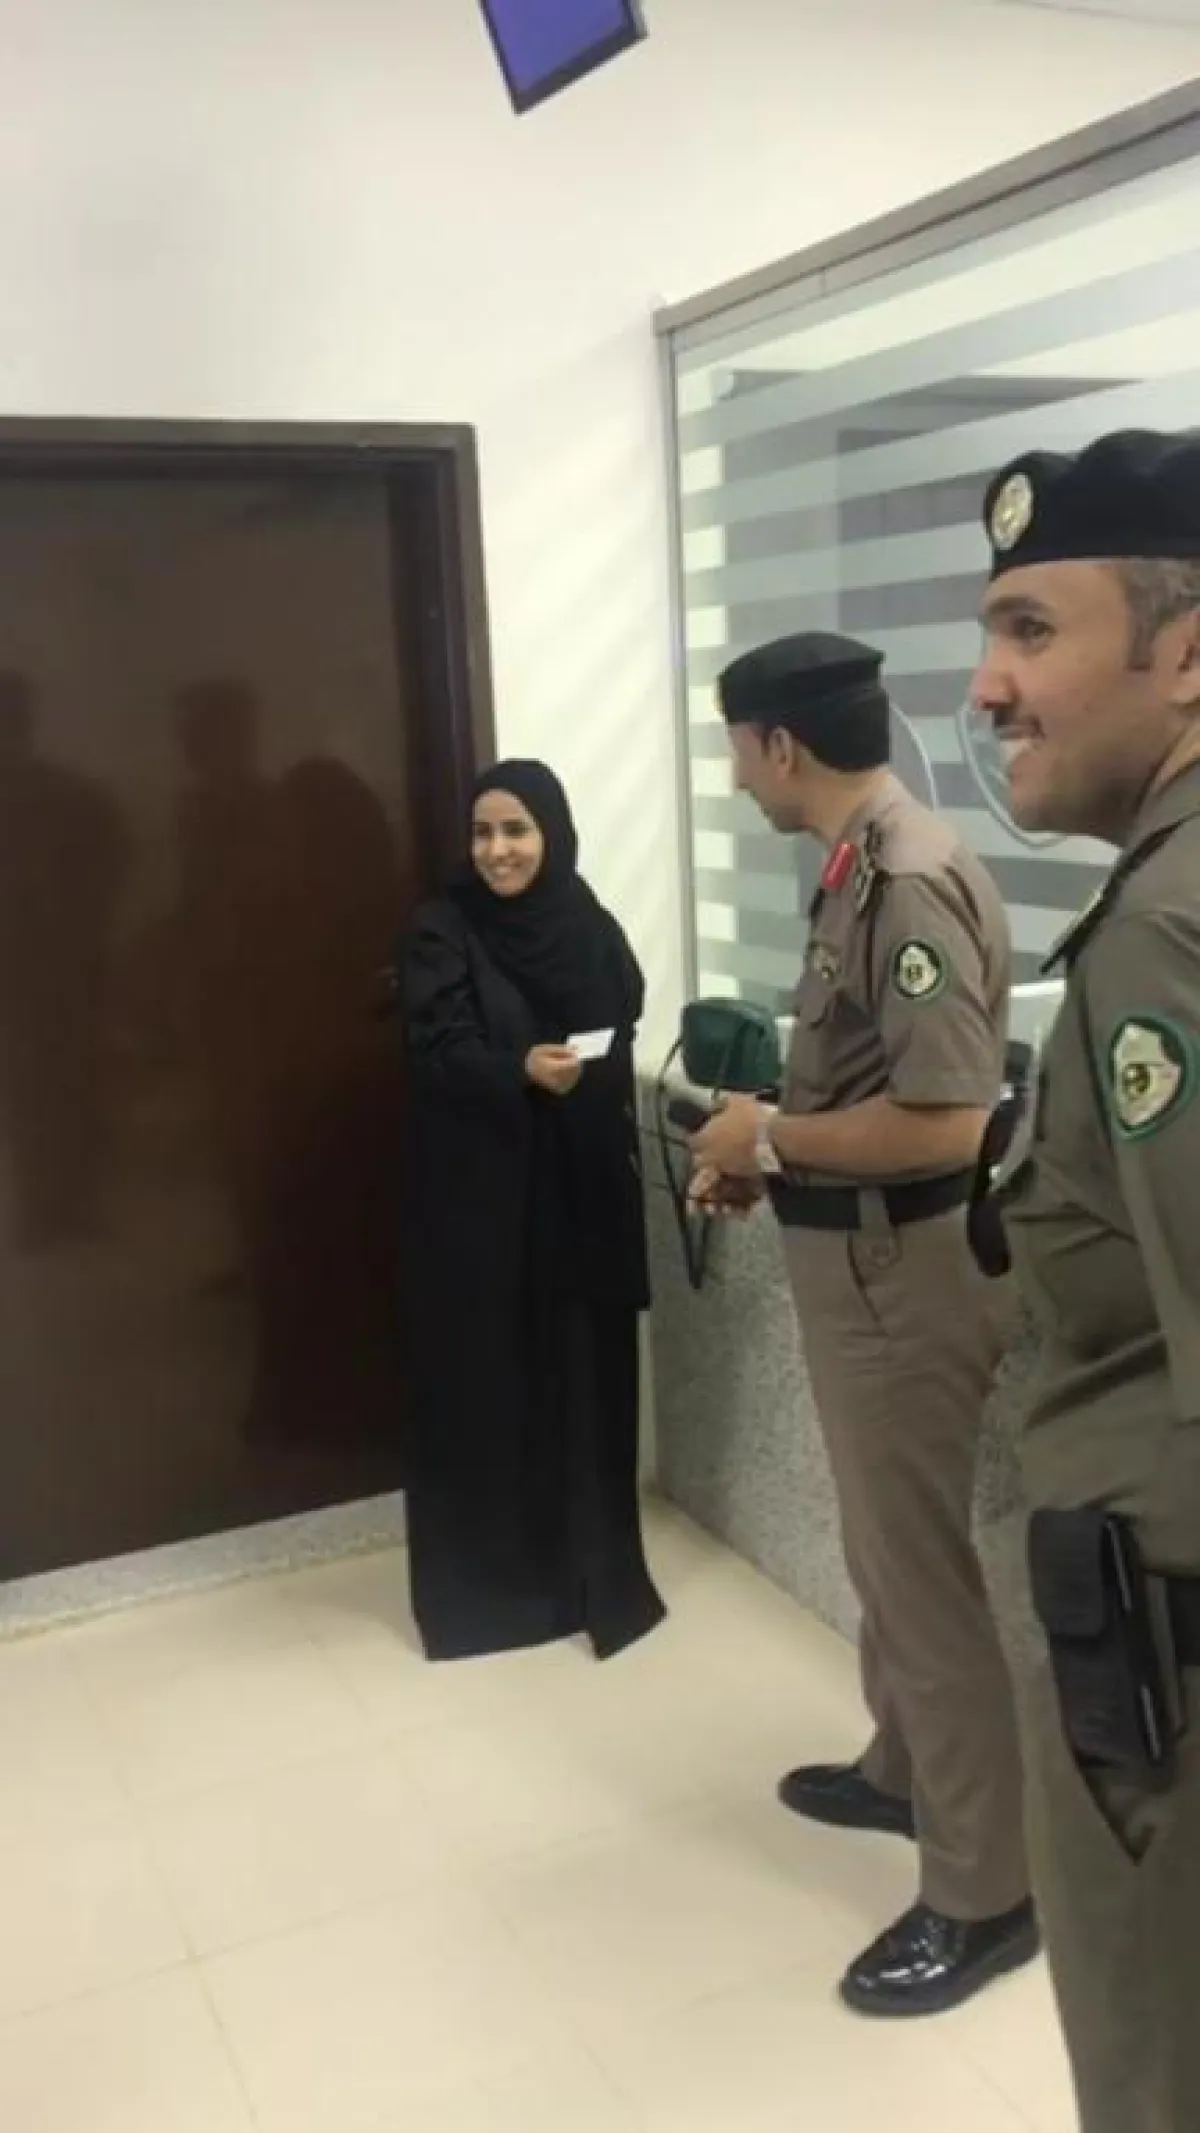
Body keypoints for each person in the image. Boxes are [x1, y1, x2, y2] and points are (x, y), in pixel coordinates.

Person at [690, 633, 1033, 2016]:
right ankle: (904, 1771)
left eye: (738, 749)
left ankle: (987, 1892)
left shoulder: (908, 877)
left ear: (780, 745)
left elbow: (947, 1120)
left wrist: (769, 1136)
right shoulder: (855, 866)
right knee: (881, 1554)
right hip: (859, 1263)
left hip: (907, 1277)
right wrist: (774, 1152)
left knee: (920, 1576)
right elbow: (863, 1090)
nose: (737, 776)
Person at [971, 428, 1200, 2132]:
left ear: (1186, 656)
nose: (987, 684)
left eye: (1033, 629)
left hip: (1167, 1679)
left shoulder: (1164, 931)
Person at [396, 759, 665, 1662]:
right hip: (489, 1210)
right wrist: (517, 1068)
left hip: (581, 1196)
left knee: (585, 1380)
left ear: (552, 834)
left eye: (517, 829)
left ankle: (592, 1577)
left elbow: (627, 1002)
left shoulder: (583, 917)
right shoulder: (442, 930)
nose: (498, 850)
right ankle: (499, 1600)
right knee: (498, 1387)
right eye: (483, 832)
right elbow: (437, 1050)